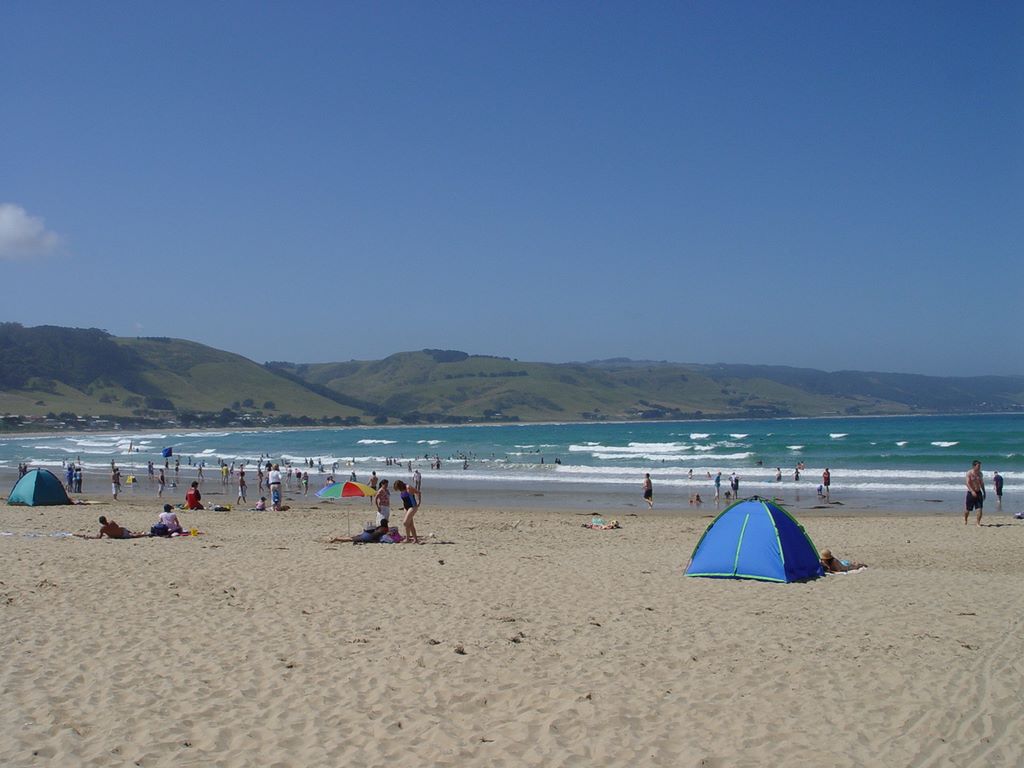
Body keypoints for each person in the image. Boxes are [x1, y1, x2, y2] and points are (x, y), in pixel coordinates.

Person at [77, 516, 149, 539]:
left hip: (122, 534)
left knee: (133, 535)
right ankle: (143, 533)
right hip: (122, 532)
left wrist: (89, 537)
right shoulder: (112, 522)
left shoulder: (102, 529)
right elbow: (117, 527)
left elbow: (99, 537)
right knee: (132, 534)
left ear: (101, 523)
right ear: (106, 519)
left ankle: (145, 534)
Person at [965, 460, 985, 526]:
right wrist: (972, 491)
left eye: (980, 466)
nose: (979, 467)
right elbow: (967, 483)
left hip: (978, 492)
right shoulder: (969, 473)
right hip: (971, 493)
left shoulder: (980, 474)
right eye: (978, 466)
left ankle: (978, 523)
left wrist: (984, 492)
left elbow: (982, 483)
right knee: (968, 510)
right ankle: (966, 520)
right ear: (974, 466)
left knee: (979, 509)